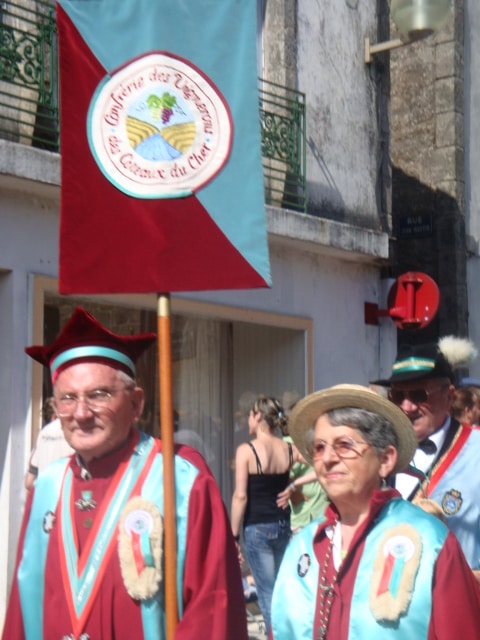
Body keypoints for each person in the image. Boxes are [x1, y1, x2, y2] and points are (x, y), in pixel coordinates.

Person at [2, 306, 247, 640]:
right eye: (67, 399)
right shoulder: (47, 484)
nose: (81, 412)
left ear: (136, 404)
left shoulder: (180, 481)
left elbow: (214, 609)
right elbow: (21, 606)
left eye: (98, 395)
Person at [270, 384, 480, 639]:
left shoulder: (429, 541)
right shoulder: (303, 546)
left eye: (345, 445)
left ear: (385, 460)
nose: (327, 458)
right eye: (319, 447)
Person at [371, 337, 480, 584]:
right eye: (398, 396)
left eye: (419, 395)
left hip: (464, 607)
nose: (407, 406)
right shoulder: (377, 452)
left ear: (449, 396)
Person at [231, 395, 299, 635]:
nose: (247, 420)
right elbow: (319, 462)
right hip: (282, 524)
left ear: (258, 417)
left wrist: (233, 535)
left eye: (249, 415)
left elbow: (240, 496)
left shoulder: (246, 451)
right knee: (282, 590)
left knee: (268, 594)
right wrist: (294, 484)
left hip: (257, 528)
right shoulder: (290, 448)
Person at [24, 411, 75, 490]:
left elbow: (29, 482)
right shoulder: (76, 433)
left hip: (45, 494)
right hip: (67, 494)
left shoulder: (44, 432)